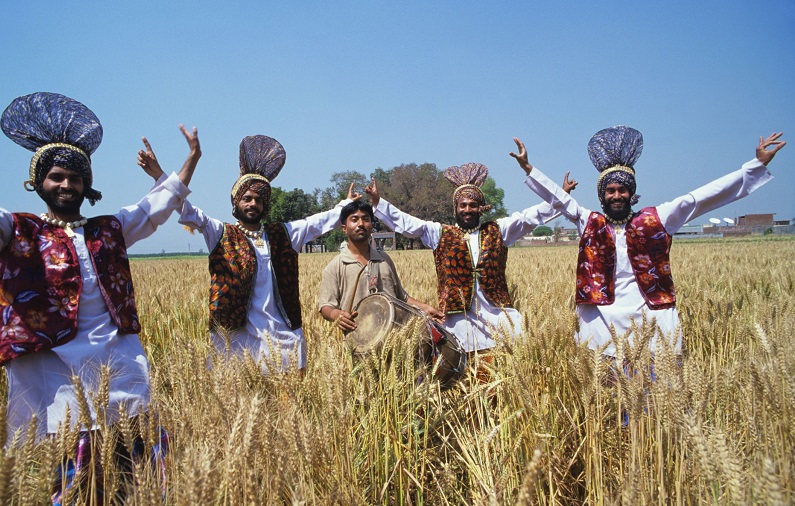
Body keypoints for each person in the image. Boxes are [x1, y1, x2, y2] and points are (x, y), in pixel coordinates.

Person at [0, 92, 200, 500]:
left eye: (75, 178)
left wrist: (191, 159)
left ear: (87, 183)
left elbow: (155, 207)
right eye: (57, 177)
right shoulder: (19, 229)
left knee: (135, 471)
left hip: (120, 365)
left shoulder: (108, 228)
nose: (66, 185)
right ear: (38, 181)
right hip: (52, 376)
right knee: (72, 479)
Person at [511, 126, 786, 358]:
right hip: (600, 322)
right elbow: (561, 201)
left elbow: (701, 198)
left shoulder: (657, 218)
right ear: (602, 195)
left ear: (632, 193)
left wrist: (754, 166)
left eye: (623, 190)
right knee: (607, 400)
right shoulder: (589, 221)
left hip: (651, 319)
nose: (616, 195)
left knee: (651, 399)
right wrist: (529, 169)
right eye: (610, 191)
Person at [171, 135, 358, 374]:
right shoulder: (220, 233)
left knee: (286, 404)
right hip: (236, 339)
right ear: (236, 202)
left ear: (265, 205)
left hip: (281, 336)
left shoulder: (283, 234)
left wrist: (345, 205)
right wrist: (168, 172)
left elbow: (317, 223)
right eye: (247, 198)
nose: (252, 204)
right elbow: (182, 206)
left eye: (259, 200)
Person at [365, 162, 576, 365]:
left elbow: (530, 217)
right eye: (463, 205)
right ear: (455, 207)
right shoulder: (439, 233)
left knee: (506, 367)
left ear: (480, 208)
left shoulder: (498, 230)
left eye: (473, 205)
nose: (468, 209)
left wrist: (560, 195)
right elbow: (407, 223)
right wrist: (379, 203)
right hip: (458, 320)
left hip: (497, 317)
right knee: (461, 373)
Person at [318, 199, 442, 333]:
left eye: (366, 219)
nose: (361, 224)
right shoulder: (335, 267)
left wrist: (425, 308)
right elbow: (326, 306)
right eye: (354, 220)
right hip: (359, 341)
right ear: (344, 228)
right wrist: (335, 315)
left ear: (371, 225)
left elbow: (402, 298)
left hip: (394, 337)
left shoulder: (384, 259)